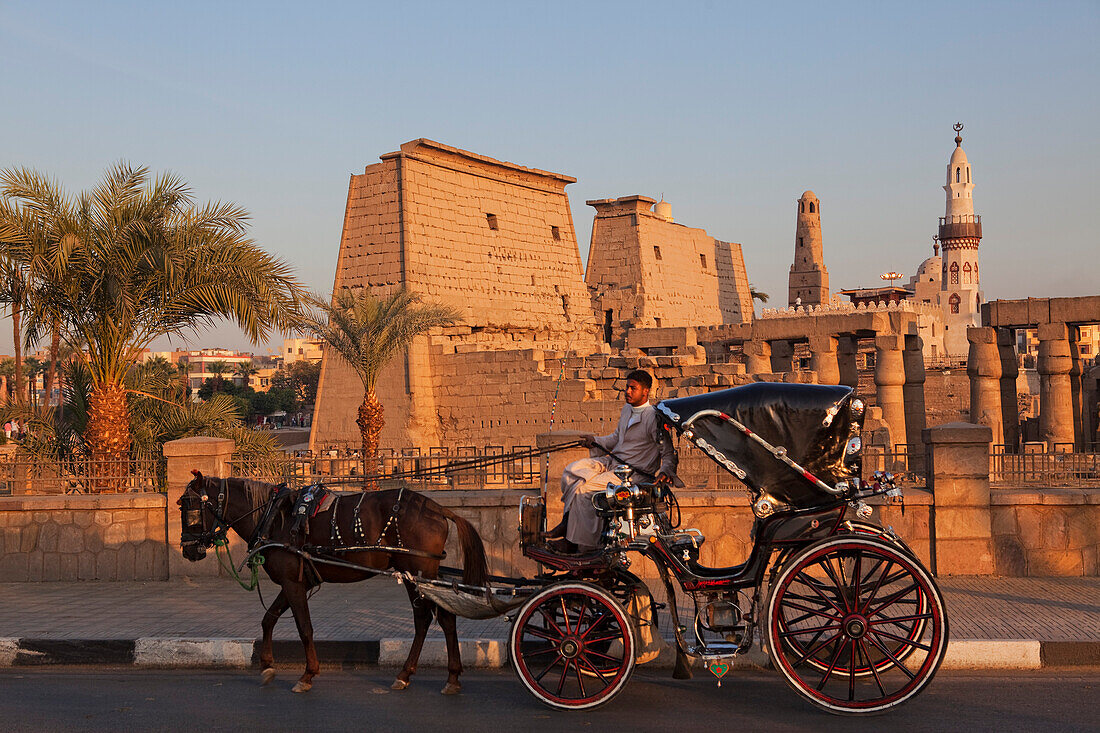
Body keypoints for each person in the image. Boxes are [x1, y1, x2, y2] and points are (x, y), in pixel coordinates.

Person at [548, 369, 679, 553]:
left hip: (632, 476)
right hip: (612, 463)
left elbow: (667, 453)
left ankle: (579, 544)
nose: (627, 391)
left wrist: (665, 472)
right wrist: (595, 440)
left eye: (633, 388)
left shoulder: (653, 418)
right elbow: (616, 438)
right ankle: (568, 522)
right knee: (573, 472)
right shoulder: (626, 410)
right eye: (627, 387)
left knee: (585, 491)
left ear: (645, 391)